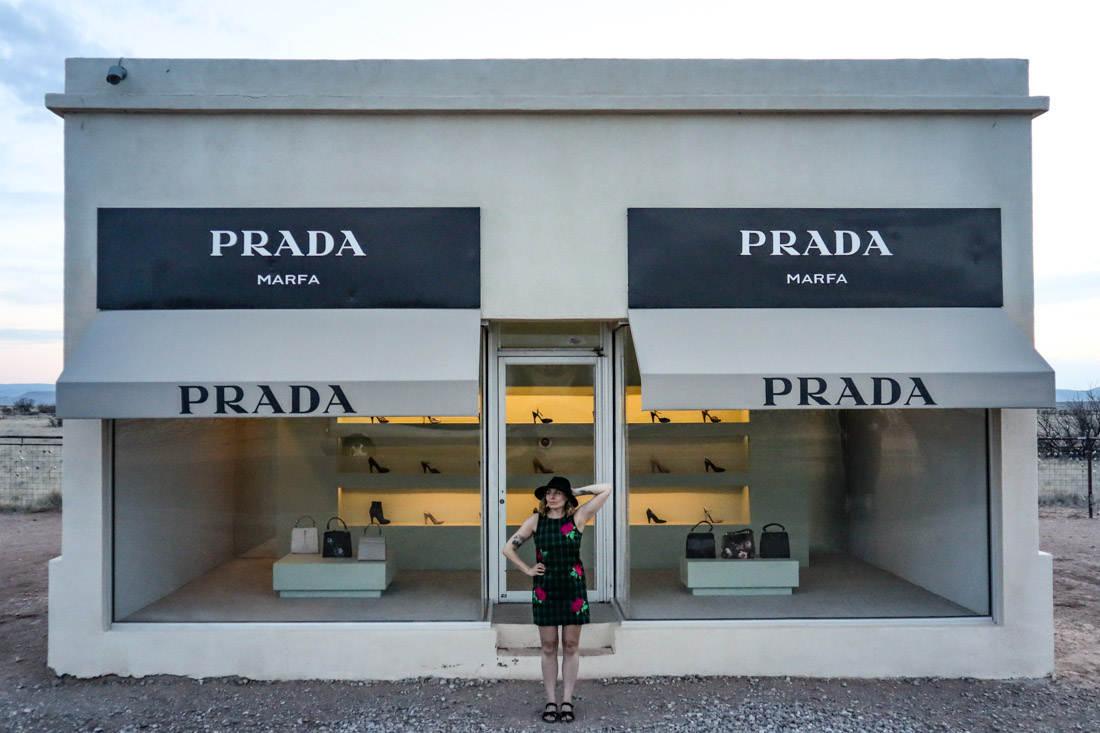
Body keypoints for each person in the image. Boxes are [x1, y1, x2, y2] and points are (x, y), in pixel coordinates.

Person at [501, 475, 612, 724]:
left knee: (571, 646)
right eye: (548, 492)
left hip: (573, 589)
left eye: (556, 492)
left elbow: (607, 489)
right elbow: (508, 548)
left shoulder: (578, 518)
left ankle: (567, 701)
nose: (551, 496)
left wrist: (573, 490)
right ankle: (551, 701)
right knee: (549, 646)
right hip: (545, 589)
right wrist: (528, 570)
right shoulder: (535, 521)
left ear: (566, 497)